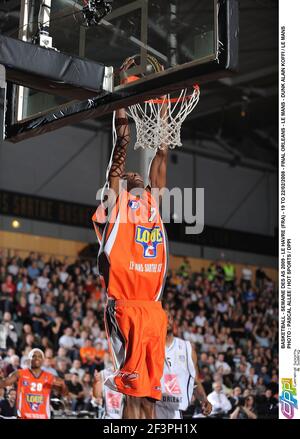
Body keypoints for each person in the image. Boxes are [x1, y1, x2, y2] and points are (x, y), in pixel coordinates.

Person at [92, 57, 169, 419]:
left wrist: (164, 110)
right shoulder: (114, 206)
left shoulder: (153, 202)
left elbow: (161, 158)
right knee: (131, 394)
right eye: (128, 177)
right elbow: (120, 148)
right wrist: (122, 96)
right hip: (124, 307)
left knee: (150, 396)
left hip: (153, 311)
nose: (135, 176)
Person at [155, 311, 212, 419]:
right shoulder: (149, 346)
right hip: (153, 408)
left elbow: (194, 381)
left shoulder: (187, 348)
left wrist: (204, 400)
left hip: (176, 410)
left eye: (169, 318)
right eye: (162, 318)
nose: (167, 320)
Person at [0, 348, 68, 419]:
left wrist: (63, 386)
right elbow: (3, 383)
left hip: (43, 416)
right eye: (34, 356)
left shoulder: (50, 377)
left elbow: (64, 393)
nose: (37, 358)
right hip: (24, 416)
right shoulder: (19, 374)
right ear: (29, 359)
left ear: (43, 360)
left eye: (39, 356)